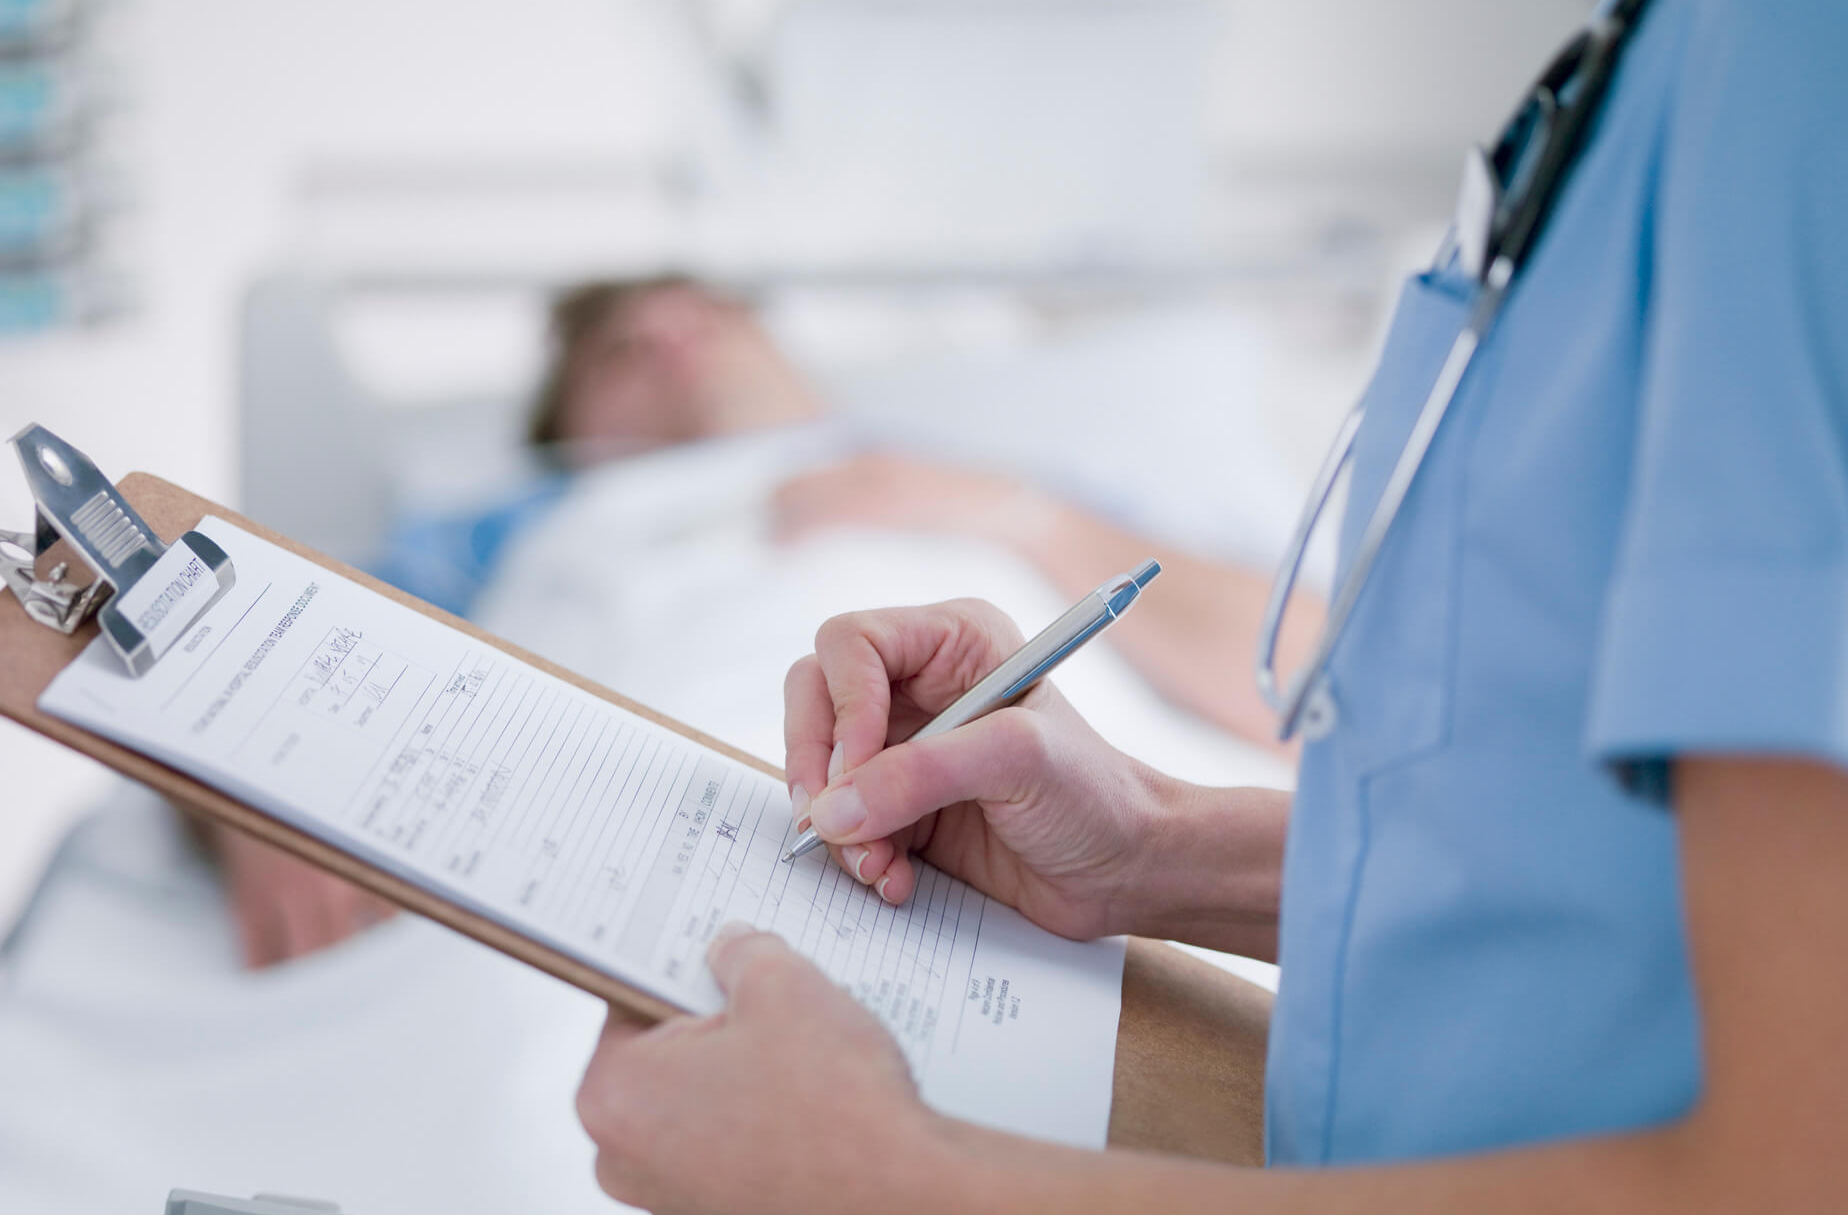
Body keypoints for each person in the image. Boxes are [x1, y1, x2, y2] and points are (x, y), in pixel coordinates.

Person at [571, 0, 1848, 1215]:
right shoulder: (1693, 37)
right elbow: (1627, 908)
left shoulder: (1838, 23)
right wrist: (1164, 847)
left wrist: (904, 1187)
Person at [216, 275, 1309, 966]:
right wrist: (243, 784)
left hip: (1059, 868)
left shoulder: (1001, 481)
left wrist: (1013, 514)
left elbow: (1313, 675)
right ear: (574, 429)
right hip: (595, 862)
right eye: (620, 354)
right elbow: (267, 632)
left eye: (701, 312)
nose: (667, 335)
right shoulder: (519, 525)